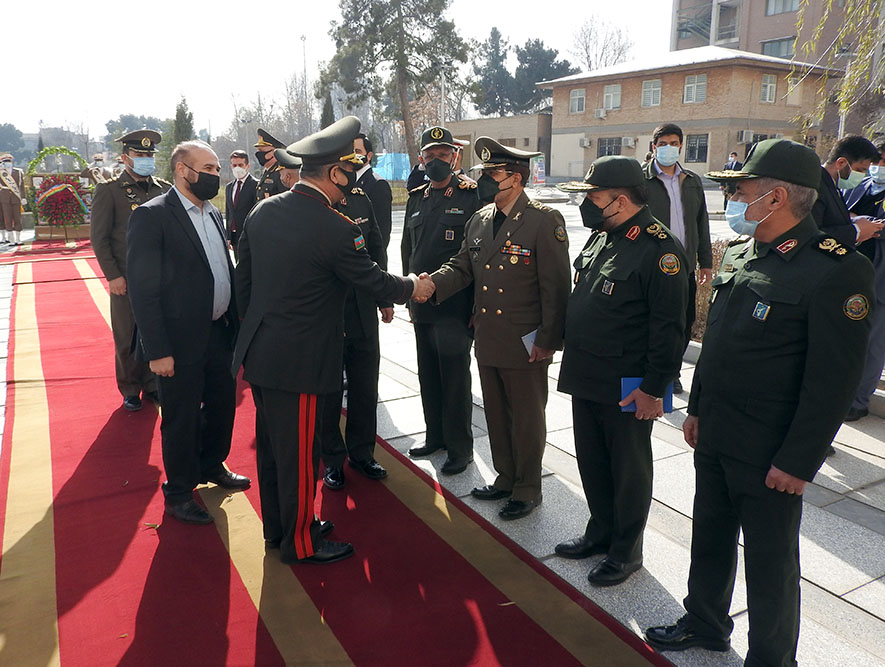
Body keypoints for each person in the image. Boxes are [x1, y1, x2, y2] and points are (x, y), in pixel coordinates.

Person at [645, 139, 875, 666]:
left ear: (774, 199)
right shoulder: (747, 253)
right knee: (710, 535)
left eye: (741, 190)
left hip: (769, 447)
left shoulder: (837, 270)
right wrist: (697, 407)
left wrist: (798, 460)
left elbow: (833, 382)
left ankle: (772, 657)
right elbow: (719, 345)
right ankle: (705, 620)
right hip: (719, 431)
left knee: (771, 562)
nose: (734, 198)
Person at [232, 116, 433, 565]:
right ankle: (301, 542)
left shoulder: (263, 211)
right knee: (302, 455)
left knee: (273, 450)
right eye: (347, 172)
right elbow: (373, 282)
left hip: (263, 355)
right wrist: (413, 288)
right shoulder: (334, 225)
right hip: (303, 361)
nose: (349, 182)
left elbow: (243, 283)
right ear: (334, 172)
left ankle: (279, 528)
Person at [554, 156, 688, 587]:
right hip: (589, 373)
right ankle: (600, 532)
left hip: (630, 384)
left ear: (621, 200)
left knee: (628, 469)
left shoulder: (660, 250)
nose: (587, 205)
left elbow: (670, 329)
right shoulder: (602, 237)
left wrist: (654, 388)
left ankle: (626, 550)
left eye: (594, 197)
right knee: (593, 462)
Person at [428, 137, 571, 520]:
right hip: (489, 336)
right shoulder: (480, 219)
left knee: (526, 418)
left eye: (495, 174)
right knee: (495, 413)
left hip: (526, 341)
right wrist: (429, 284)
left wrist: (548, 340)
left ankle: (528, 487)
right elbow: (462, 267)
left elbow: (556, 287)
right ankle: (505, 477)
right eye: (486, 174)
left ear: (517, 178)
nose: (488, 181)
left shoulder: (543, 220)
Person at [127, 140, 250, 526]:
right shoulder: (153, 216)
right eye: (209, 168)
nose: (216, 175)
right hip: (177, 343)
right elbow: (144, 290)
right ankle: (179, 491)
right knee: (180, 418)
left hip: (218, 332)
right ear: (182, 170)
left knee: (220, 405)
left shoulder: (212, 212)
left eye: (218, 169)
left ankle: (211, 464)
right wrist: (157, 350)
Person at [402, 126, 481, 475]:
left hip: (455, 305)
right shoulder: (417, 198)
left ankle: (460, 448)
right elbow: (408, 250)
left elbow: (477, 257)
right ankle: (435, 436)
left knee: (455, 379)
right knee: (428, 374)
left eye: (444, 154)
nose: (437, 161)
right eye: (430, 156)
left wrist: (476, 305)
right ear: (421, 160)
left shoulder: (471, 196)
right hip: (421, 304)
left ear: (456, 157)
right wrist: (406, 293)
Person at [320, 166, 393, 490]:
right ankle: (332, 460)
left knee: (365, 388)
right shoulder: (316, 203)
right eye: (345, 169)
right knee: (329, 392)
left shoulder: (361, 200)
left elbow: (376, 249)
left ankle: (362, 453)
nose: (350, 175)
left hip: (362, 309)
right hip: (328, 314)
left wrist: (385, 297)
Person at [90, 130, 171, 412]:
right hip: (126, 277)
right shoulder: (109, 190)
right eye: (140, 155)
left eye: (150, 155)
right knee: (126, 337)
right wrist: (112, 275)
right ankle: (130, 387)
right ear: (125, 158)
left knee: (155, 332)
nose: (146, 160)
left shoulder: (163, 188)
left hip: (159, 277)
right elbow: (99, 238)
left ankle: (152, 385)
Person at [643, 123, 712, 394]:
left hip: (684, 268)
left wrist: (705, 261)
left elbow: (701, 222)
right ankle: (651, 370)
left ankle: (672, 373)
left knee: (683, 321)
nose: (668, 148)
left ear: (681, 146)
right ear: (654, 147)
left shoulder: (692, 181)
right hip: (652, 267)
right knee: (655, 320)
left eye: (673, 143)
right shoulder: (642, 180)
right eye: (663, 144)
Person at [843, 139, 885, 421]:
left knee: (873, 343)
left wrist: (858, 219)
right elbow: (840, 215)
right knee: (846, 339)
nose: (879, 167)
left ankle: (858, 401)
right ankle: (842, 392)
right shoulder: (860, 186)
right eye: (877, 161)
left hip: (879, 279)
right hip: (850, 274)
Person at [813, 134, 882, 248]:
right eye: (859, 170)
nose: (862, 176)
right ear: (841, 163)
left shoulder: (833, 186)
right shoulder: (816, 187)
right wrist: (856, 231)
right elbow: (811, 235)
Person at [353, 133, 393, 247]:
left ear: (369, 155)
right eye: (351, 152)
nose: (354, 156)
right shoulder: (347, 183)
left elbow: (382, 234)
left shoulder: (378, 185)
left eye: (358, 151)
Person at [224, 149, 258, 258]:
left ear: (247, 166)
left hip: (249, 236)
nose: (237, 168)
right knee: (238, 265)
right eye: (234, 165)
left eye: (240, 165)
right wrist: (228, 235)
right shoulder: (229, 187)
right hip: (234, 236)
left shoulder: (256, 186)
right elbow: (229, 212)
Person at [0, 153, 27, 246]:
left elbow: (21, 186)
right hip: (4, 199)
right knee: (7, 219)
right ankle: (11, 239)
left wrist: (23, 197)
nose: (7, 163)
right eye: (5, 162)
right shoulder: (1, 173)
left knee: (17, 218)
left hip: (16, 198)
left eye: (9, 161)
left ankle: (18, 239)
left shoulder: (18, 172)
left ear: (12, 162)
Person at [254, 128, 288, 200]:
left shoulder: (281, 172)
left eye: (261, 150)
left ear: (273, 152)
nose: (258, 154)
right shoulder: (267, 171)